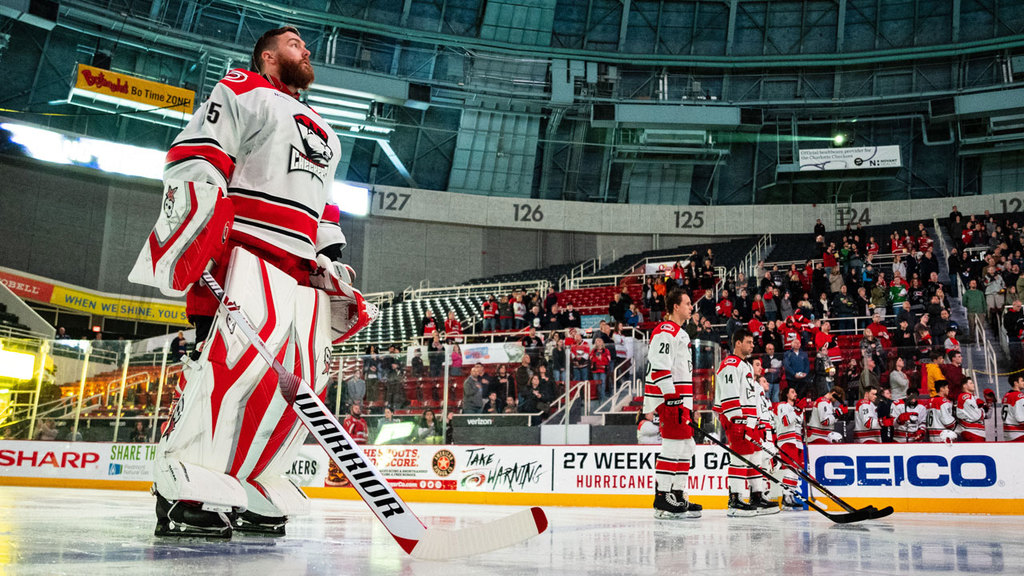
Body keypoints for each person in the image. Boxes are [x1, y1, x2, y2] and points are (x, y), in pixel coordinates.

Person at [127, 27, 376, 539]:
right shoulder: (241, 88)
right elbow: (198, 158)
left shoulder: (326, 130)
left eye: (304, 46)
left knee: (292, 384)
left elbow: (323, 206)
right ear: (267, 56)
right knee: (222, 370)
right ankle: (185, 487)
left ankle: (253, 478)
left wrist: (328, 258)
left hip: (297, 270)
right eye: (293, 44)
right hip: (237, 256)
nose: (305, 50)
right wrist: (199, 231)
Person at [645, 289, 702, 520]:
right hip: (671, 400)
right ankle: (662, 496)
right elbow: (659, 366)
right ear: (675, 307)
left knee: (687, 446)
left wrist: (685, 402)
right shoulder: (666, 330)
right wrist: (671, 396)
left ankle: (677, 493)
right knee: (673, 444)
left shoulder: (681, 333)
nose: (691, 307)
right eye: (688, 303)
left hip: (681, 400)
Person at [714, 328, 776, 517]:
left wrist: (753, 420)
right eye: (748, 342)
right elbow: (730, 395)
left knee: (755, 456)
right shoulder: (730, 364)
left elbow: (749, 396)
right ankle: (736, 499)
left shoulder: (746, 365)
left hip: (750, 420)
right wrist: (738, 419)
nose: (752, 345)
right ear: (738, 343)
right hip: (736, 418)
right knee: (740, 456)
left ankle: (756, 495)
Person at [772, 387, 805, 509]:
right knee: (790, 467)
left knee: (796, 469)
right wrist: (796, 411)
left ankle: (790, 495)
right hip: (787, 440)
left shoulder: (794, 409)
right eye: (792, 392)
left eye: (795, 392)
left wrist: (798, 411)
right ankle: (786, 496)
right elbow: (785, 421)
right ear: (786, 394)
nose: (795, 394)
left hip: (797, 441)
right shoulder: (782, 405)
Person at [955, 378, 986, 442]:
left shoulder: (973, 397)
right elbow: (977, 416)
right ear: (965, 386)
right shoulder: (966, 397)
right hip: (973, 432)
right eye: (971, 383)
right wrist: (982, 409)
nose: (973, 385)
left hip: (975, 432)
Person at [1002, 374, 1024, 441]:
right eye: (1022, 381)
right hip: (1019, 434)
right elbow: (1021, 419)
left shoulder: (1006, 395)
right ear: (1016, 383)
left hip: (1008, 433)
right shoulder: (1019, 396)